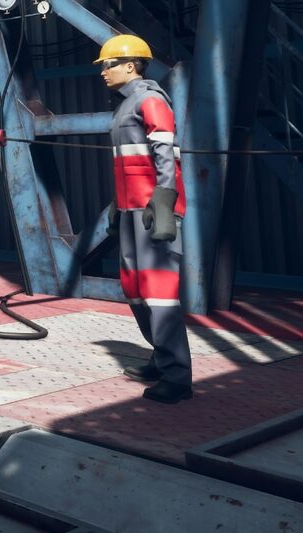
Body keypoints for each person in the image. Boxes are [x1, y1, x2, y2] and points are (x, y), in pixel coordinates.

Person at [98, 34, 192, 404]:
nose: (103, 71)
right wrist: (116, 204)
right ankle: (161, 357)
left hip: (152, 211)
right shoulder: (125, 106)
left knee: (160, 292)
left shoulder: (150, 99)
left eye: (108, 65)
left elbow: (166, 153)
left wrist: (165, 201)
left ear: (131, 65)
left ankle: (178, 377)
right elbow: (129, 163)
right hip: (129, 209)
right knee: (134, 288)